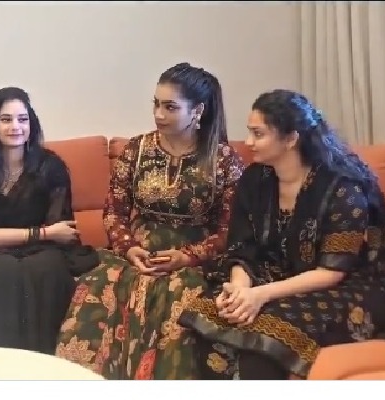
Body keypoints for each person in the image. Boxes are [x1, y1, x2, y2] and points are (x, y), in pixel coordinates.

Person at [178, 89, 385, 380]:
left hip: (350, 284)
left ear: (291, 138)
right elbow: (242, 246)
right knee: (210, 316)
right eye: (250, 132)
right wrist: (240, 289)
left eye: (258, 134)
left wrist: (259, 295)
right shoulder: (255, 178)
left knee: (267, 336)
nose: (249, 142)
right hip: (281, 272)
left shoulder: (342, 187)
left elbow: (332, 271)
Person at [55, 63, 246, 379]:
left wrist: (187, 256)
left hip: (194, 261)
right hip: (136, 255)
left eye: (170, 107)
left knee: (182, 297)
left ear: (198, 110)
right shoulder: (136, 149)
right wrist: (129, 248)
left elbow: (232, 229)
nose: (159, 114)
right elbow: (114, 212)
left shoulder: (223, 160)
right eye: (156, 104)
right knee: (100, 285)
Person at [0, 87, 99, 355]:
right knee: (1, 270)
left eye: (22, 119)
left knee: (45, 267)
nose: (15, 127)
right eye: (6, 119)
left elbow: (62, 234)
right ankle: (1, 362)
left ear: (31, 123)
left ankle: (47, 361)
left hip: (45, 252)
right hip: (4, 256)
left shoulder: (51, 166)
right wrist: (40, 234)